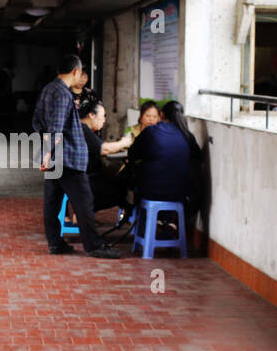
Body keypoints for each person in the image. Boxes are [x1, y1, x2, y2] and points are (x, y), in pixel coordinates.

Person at [31, 56, 120, 259]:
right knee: (84, 201)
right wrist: (48, 153)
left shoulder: (47, 89)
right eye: (80, 73)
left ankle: (55, 243)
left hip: (56, 157)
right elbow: (57, 126)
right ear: (75, 72)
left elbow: (37, 121)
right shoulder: (63, 93)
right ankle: (94, 246)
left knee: (52, 202)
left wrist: (46, 151)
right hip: (67, 157)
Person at [127, 99, 202, 229]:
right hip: (180, 193)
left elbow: (132, 154)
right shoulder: (187, 136)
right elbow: (197, 157)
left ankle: (149, 223)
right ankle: (169, 221)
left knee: (138, 179)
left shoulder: (151, 132)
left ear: (161, 115)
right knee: (194, 196)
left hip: (150, 192)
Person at [79, 100, 131, 214]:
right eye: (102, 116)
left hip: (87, 176)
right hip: (86, 178)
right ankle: (84, 213)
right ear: (91, 115)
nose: (104, 120)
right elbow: (104, 149)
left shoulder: (85, 129)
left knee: (121, 182)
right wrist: (124, 142)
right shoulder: (83, 129)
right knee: (120, 190)